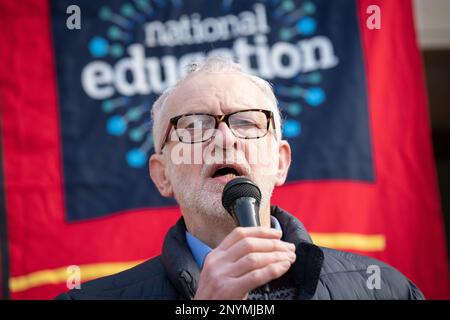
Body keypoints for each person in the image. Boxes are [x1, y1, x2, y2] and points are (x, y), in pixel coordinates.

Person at [56, 57, 424, 300]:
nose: (225, 139)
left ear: (280, 163)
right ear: (162, 174)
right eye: (195, 126)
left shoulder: (382, 289)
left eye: (246, 122)